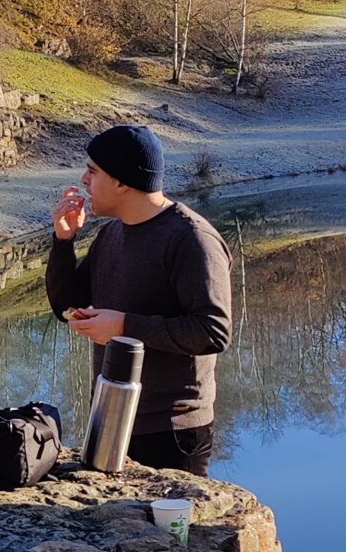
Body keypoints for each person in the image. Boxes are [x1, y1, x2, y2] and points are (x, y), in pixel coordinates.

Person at [44, 122, 233, 473]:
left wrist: (124, 327)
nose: (84, 181)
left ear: (121, 182)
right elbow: (65, 307)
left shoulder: (192, 240)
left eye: (92, 171)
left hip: (172, 432)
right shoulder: (111, 234)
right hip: (109, 418)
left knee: (166, 529)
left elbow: (213, 331)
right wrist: (63, 242)